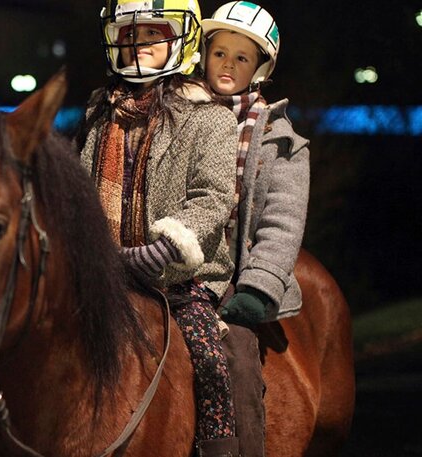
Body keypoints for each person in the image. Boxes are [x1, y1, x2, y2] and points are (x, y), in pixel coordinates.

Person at [74, 1, 241, 455]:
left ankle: (218, 447)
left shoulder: (210, 117)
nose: (138, 44)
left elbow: (212, 197)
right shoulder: (98, 113)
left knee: (210, 361)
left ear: (182, 38)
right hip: (104, 274)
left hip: (177, 280)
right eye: (130, 34)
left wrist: (168, 248)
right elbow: (79, 190)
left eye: (152, 33)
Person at [200, 2, 311, 456]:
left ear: (260, 68)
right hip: (175, 262)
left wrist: (258, 287)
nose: (228, 64)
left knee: (239, 359)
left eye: (241, 58)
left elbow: (283, 220)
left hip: (232, 273)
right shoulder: (182, 116)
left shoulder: (279, 139)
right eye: (220, 53)